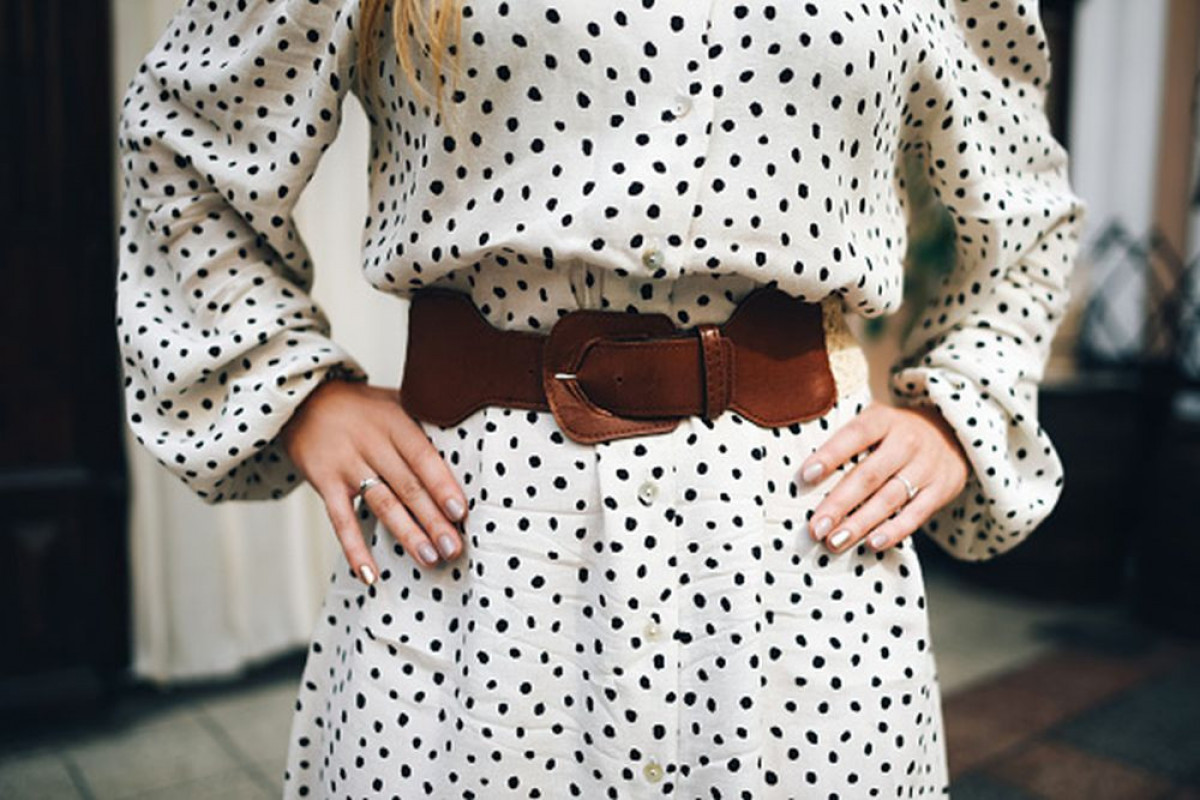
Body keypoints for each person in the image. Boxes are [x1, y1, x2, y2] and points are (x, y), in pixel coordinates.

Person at [114, 0, 1087, 796]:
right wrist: (295, 388)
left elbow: (1026, 205)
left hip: (800, 558)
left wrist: (963, 406)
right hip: (476, 556)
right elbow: (183, 140)